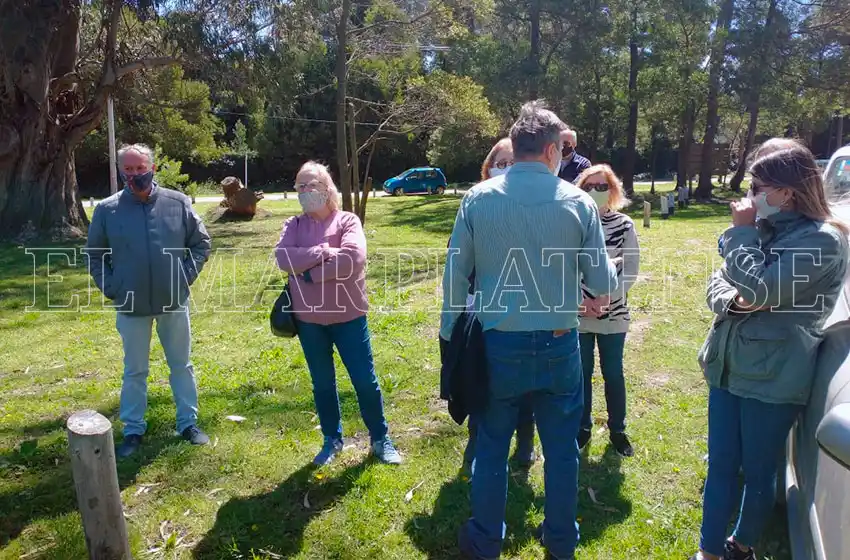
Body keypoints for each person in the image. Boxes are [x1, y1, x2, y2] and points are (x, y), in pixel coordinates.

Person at [441, 101, 618, 560]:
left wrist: (448, 336)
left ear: (516, 148)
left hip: (497, 344)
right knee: (562, 452)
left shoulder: (478, 199)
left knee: (492, 447)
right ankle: (561, 542)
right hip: (560, 344)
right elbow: (601, 284)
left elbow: (456, 276)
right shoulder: (577, 202)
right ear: (553, 150)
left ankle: (486, 540)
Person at [692, 140, 849, 560]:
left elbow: (760, 287)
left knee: (760, 470)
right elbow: (720, 284)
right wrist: (738, 298)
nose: (749, 197)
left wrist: (741, 239)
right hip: (728, 362)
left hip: (774, 374)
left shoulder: (823, 242)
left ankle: (741, 545)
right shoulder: (764, 231)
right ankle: (709, 551)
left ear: (788, 190)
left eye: (758, 187)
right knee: (721, 464)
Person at [85, 143, 212, 458]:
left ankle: (188, 423)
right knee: (135, 370)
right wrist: (111, 286)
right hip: (131, 304)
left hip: (173, 301)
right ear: (120, 171)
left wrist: (183, 277)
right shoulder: (107, 210)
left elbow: (201, 243)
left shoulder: (177, 202)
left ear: (152, 168)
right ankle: (132, 430)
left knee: (181, 364)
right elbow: (95, 255)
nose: (134, 174)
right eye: (128, 169)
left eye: (140, 168)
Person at [275, 161, 402, 466]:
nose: (305, 192)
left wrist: (307, 275)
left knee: (364, 381)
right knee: (322, 384)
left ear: (327, 187)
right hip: (309, 322)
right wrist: (321, 252)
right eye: (300, 186)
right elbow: (282, 258)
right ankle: (332, 439)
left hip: (349, 318)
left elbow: (352, 260)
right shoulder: (294, 225)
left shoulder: (348, 221)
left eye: (311, 185)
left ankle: (380, 438)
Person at [459, 137, 536, 468]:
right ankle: (478, 436)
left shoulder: (536, 207)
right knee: (481, 374)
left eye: (512, 164)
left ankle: (524, 441)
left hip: (527, 309)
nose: (505, 169)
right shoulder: (473, 205)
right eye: (499, 163)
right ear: (487, 169)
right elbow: (458, 259)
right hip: (481, 308)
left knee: (523, 379)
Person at [574, 165, 640, 457]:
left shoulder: (625, 224)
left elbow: (631, 269)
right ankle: (582, 427)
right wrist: (580, 301)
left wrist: (607, 298)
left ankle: (618, 430)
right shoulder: (572, 222)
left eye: (603, 186)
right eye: (590, 186)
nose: (596, 192)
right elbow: (564, 268)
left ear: (613, 190)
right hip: (578, 313)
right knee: (581, 373)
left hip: (613, 312)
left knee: (613, 372)